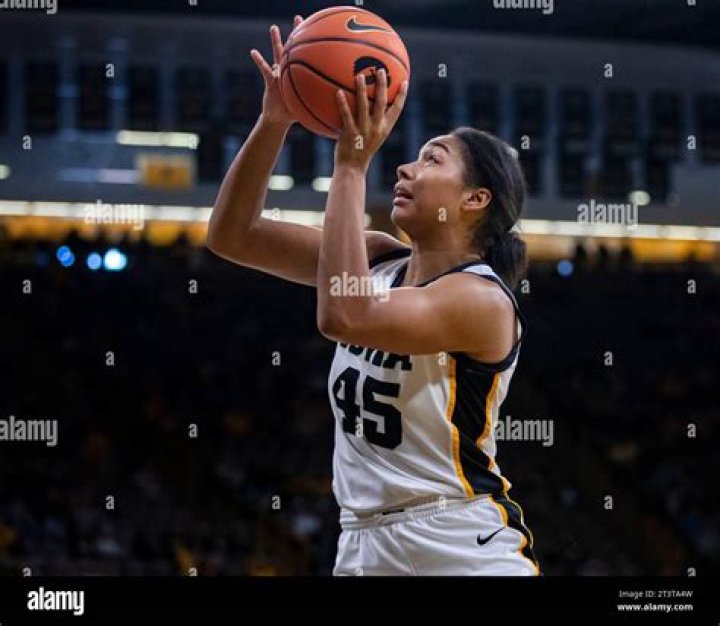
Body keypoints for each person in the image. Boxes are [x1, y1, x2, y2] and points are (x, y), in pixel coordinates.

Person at [207, 17, 539, 576]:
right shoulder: (380, 258)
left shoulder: (481, 300)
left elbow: (345, 314)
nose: (405, 167)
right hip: (362, 540)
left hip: (458, 541)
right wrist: (275, 120)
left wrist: (350, 166)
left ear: (475, 199)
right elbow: (233, 235)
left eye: (433, 159)